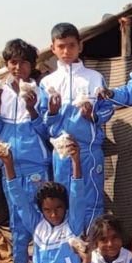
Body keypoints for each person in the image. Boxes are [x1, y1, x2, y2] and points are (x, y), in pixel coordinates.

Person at [0, 39, 52, 263]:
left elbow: (47, 130)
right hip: (9, 163)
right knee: (16, 214)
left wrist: (32, 109)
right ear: (7, 64)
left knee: (39, 212)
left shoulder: (40, 91)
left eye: (24, 62)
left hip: (35, 161)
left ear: (31, 65)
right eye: (13, 62)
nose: (18, 67)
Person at [39, 23, 113, 229]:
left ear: (80, 47)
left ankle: (92, 250)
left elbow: (108, 109)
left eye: (71, 45)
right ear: (53, 48)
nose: (66, 51)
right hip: (62, 153)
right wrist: (53, 112)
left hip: (89, 150)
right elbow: (44, 123)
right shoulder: (47, 83)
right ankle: (69, 249)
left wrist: (93, 116)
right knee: (64, 200)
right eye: (61, 46)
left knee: (93, 201)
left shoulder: (94, 78)